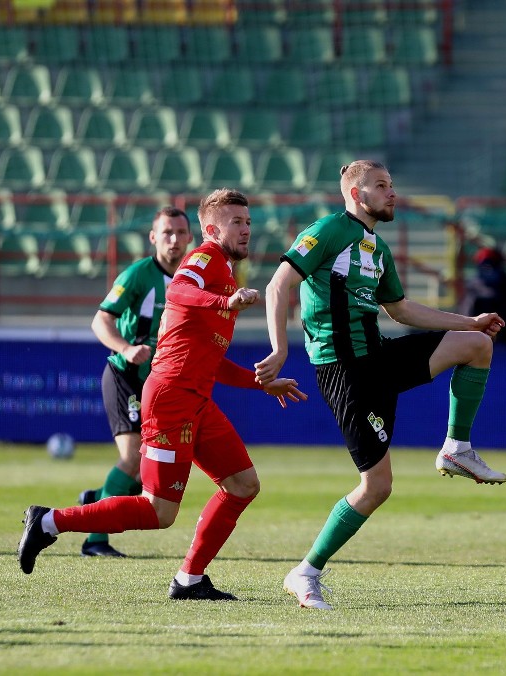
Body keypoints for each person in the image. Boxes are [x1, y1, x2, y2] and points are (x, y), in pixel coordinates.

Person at [18, 188, 308, 600]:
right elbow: (178, 292)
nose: (246, 230)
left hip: (197, 401)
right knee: (159, 510)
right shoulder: (205, 258)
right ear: (210, 229)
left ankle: (189, 579)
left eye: (248, 222)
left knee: (243, 485)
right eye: (236, 222)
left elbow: (212, 359)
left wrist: (259, 382)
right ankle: (48, 521)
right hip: (171, 399)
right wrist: (223, 300)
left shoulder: (224, 270)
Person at [254, 160, 506, 610]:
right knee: (377, 487)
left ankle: (457, 448)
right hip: (345, 370)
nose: (392, 194)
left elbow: (402, 310)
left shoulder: (376, 247)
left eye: (392, 185)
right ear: (356, 194)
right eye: (382, 186)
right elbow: (279, 285)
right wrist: (279, 349)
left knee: (475, 345)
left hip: (376, 354)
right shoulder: (330, 229)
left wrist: (472, 320)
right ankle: (305, 572)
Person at [80, 206, 194, 558]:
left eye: (179, 232)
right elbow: (101, 321)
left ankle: (96, 500)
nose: (174, 239)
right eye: (166, 232)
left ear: (190, 237)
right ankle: (94, 540)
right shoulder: (138, 275)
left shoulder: (193, 278)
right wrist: (126, 348)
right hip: (125, 375)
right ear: (153, 237)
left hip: (160, 385)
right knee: (131, 458)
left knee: (150, 477)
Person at [462, 247, 506, 345]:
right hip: (479, 345)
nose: (489, 270)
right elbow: (467, 318)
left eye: (492, 265)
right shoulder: (473, 289)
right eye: (485, 266)